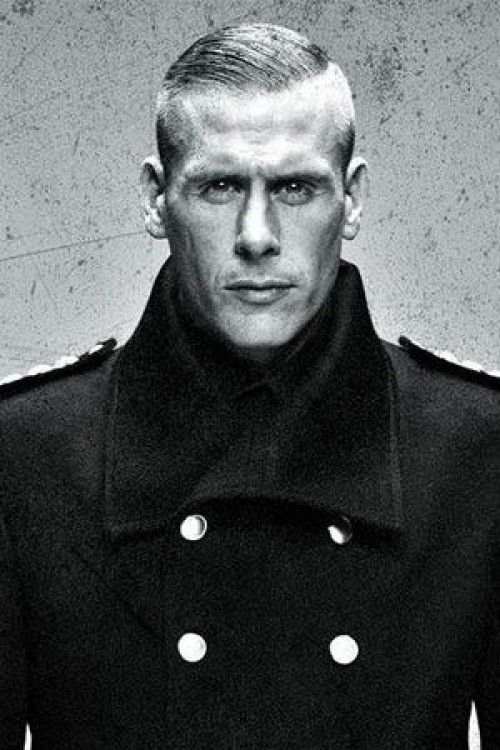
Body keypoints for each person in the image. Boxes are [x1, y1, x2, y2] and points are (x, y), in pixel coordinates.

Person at [0, 22, 498, 750]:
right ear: (156, 199)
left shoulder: (476, 451)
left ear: (352, 199)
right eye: (220, 185)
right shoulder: (26, 455)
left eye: (295, 187)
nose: (257, 235)